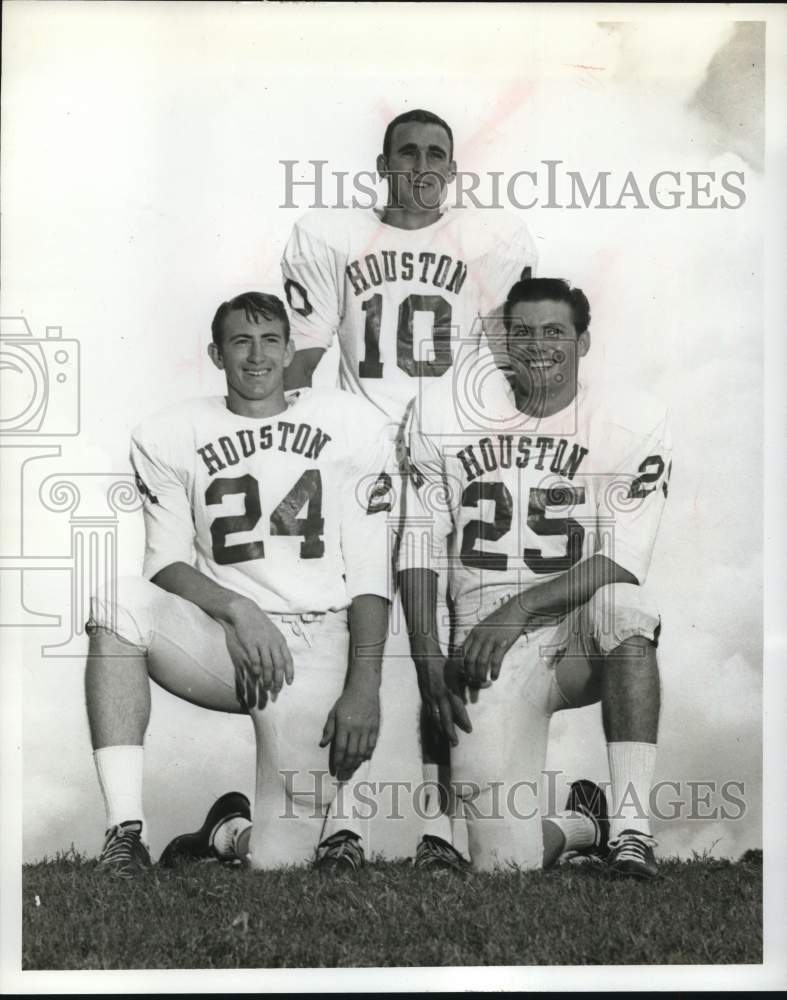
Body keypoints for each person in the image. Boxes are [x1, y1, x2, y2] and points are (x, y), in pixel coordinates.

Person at [280, 108, 539, 868]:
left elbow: (508, 360)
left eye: (436, 155)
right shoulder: (331, 234)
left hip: (451, 450)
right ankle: (344, 822)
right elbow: (302, 360)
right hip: (360, 449)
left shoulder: (488, 239)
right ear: (383, 163)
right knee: (350, 630)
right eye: (408, 153)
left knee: (449, 631)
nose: (422, 166)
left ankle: (439, 826)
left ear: (451, 169)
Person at [86, 291, 394, 877]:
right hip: (227, 639)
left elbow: (373, 572)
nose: (256, 356)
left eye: (270, 340)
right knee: (117, 603)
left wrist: (364, 687)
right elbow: (165, 562)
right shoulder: (170, 432)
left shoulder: (346, 423)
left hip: (317, 641)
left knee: (282, 861)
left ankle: (227, 832)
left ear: (289, 350)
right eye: (240, 342)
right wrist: (237, 608)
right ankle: (124, 833)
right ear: (216, 353)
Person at [398, 277, 671, 879]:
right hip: (484, 649)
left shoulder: (627, 418)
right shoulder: (444, 411)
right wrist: (426, 655)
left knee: (625, 605)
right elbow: (417, 544)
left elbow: (623, 556)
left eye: (555, 333)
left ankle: (631, 831)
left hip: (574, 630)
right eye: (522, 332)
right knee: (503, 863)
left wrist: (519, 609)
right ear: (502, 340)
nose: (538, 345)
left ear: (584, 342)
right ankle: (583, 825)